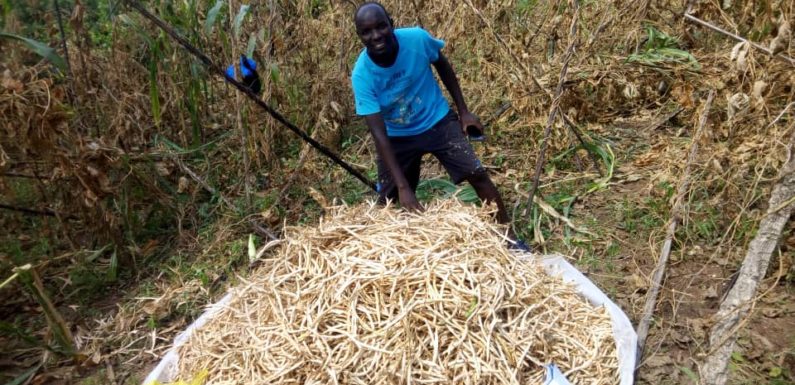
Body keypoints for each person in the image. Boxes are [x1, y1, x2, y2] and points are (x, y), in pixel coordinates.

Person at [351, 2, 528, 250]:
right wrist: (403, 187)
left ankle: (510, 240)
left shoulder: (417, 40)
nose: (376, 35)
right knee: (387, 201)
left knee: (477, 174)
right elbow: (379, 134)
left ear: (391, 23)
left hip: (436, 120)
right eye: (367, 31)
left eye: (381, 26)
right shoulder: (362, 75)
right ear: (359, 36)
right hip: (397, 135)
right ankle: (396, 252)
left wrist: (464, 112)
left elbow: (442, 65)